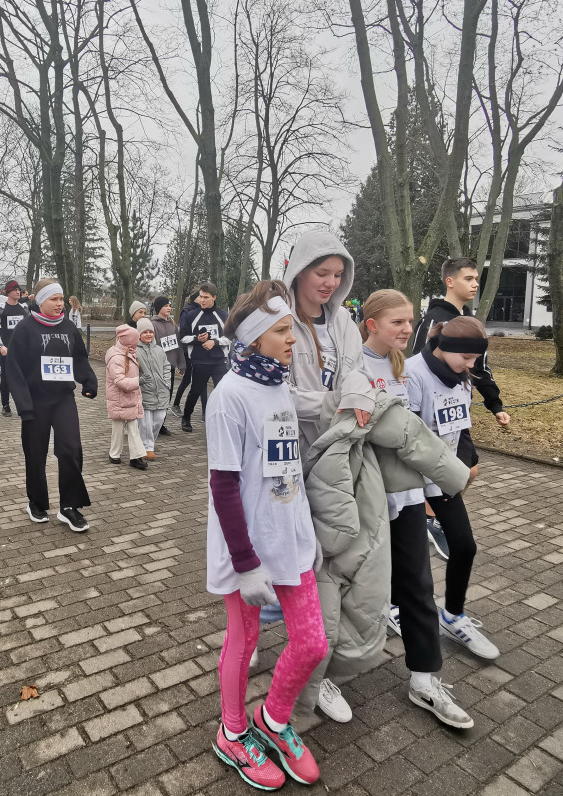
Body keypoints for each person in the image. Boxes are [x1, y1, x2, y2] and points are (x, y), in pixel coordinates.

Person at [299, 288, 471, 728]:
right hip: (358, 499)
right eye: (398, 322)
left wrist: (438, 485)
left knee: (416, 588)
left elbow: (417, 431)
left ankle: (424, 678)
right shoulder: (347, 367)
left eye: (410, 321)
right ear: (371, 324)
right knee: (344, 587)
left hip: (407, 500)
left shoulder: (406, 369)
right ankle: (322, 679)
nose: (408, 329)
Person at [207, 279, 324, 790]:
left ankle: (273, 721)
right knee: (244, 640)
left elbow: (288, 466)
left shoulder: (277, 383)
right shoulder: (229, 396)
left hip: (291, 540)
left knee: (312, 643)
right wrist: (246, 562)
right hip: (248, 548)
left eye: (291, 329)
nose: (292, 339)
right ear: (255, 339)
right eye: (282, 331)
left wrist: (305, 533)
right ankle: (232, 734)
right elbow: (224, 486)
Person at [403, 315, 500, 666]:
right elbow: (407, 435)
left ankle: (453, 615)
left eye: (475, 360)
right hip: (410, 480)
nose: (471, 366)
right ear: (445, 348)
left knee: (464, 546)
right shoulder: (413, 373)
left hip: (444, 478)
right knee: (406, 559)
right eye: (467, 358)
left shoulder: (463, 378)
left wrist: (464, 465)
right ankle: (395, 607)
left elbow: (461, 427)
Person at [412, 256, 510, 559]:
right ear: (450, 281)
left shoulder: (470, 324)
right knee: (446, 472)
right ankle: (429, 518)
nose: (475, 284)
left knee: (469, 470)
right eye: (469, 278)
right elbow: (418, 362)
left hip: (457, 414)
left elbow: (480, 368)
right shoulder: (433, 320)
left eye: (476, 279)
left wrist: (495, 405)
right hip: (432, 415)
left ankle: (431, 516)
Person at [6, 278, 98, 531]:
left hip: (63, 399)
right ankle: (36, 501)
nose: (60, 304)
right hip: (35, 401)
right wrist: (23, 404)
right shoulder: (25, 328)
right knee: (35, 453)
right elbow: (13, 369)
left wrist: (88, 382)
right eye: (53, 299)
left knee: (70, 449)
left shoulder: (68, 327)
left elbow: (79, 357)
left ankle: (70, 506)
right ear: (40, 301)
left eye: (61, 299)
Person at [283, 230, 375, 454]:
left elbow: (360, 372)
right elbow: (278, 393)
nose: (331, 283)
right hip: (292, 449)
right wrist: (339, 403)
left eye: (338, 274)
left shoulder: (344, 321)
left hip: (341, 446)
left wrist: (357, 394)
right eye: (322, 273)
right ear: (299, 271)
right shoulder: (279, 321)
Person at [178, 282, 230, 433]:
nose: (202, 300)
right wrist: (197, 339)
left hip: (219, 361)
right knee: (195, 390)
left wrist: (215, 342)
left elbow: (230, 338)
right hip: (200, 361)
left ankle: (222, 420)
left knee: (222, 392)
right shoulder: (191, 316)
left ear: (214, 297)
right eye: (200, 297)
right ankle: (186, 418)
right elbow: (182, 338)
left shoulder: (223, 316)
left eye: (206, 297)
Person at [105, 323, 149, 470]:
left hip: (128, 397)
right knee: (119, 427)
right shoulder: (117, 357)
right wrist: (138, 381)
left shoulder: (128, 352)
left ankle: (128, 455)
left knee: (130, 427)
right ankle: (120, 455)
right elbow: (119, 381)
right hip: (120, 398)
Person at [0, 280, 28, 415]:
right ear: (8, 292)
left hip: (21, 350)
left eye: (19, 289)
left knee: (22, 378)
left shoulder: (24, 308)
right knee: (6, 378)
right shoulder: (1, 309)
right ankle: (5, 405)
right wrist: (0, 346)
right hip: (6, 349)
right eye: (14, 289)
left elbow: (28, 329)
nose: (18, 292)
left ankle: (22, 404)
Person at [150, 296, 183, 436]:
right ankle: (150, 423)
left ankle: (161, 423)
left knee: (167, 396)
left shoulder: (172, 324)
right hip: (156, 366)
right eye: (166, 306)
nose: (169, 308)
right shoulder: (152, 324)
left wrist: (181, 364)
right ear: (159, 308)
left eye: (170, 305)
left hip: (170, 366)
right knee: (155, 395)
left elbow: (178, 346)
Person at [136, 319, 168, 461]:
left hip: (161, 391)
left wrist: (166, 382)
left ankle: (150, 443)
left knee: (159, 419)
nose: (148, 335)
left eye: (151, 332)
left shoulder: (159, 350)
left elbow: (167, 366)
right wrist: (139, 382)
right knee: (145, 422)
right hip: (145, 390)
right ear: (139, 334)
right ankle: (147, 447)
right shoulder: (135, 350)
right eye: (145, 332)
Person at [171, 291, 199, 419]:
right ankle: (176, 404)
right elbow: (183, 332)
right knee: (187, 379)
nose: (202, 299)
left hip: (200, 350)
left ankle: (205, 409)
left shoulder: (203, 311)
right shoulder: (186, 312)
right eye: (200, 296)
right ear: (194, 299)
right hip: (188, 350)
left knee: (200, 382)